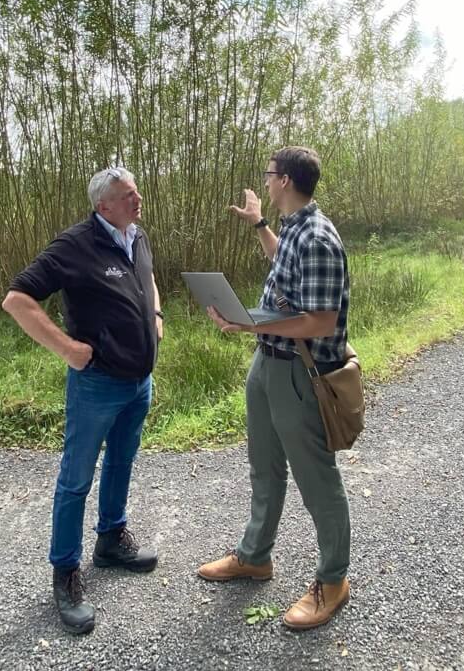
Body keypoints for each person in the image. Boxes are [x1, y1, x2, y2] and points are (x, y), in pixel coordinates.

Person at [2, 166, 164, 635]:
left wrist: (156, 312)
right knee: (75, 481)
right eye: (128, 196)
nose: (137, 200)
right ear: (102, 206)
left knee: (121, 462)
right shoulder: (74, 245)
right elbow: (17, 300)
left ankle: (111, 540)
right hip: (96, 385)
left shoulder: (137, 236)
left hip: (138, 381)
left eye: (136, 192)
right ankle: (66, 574)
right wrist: (67, 349)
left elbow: (149, 278)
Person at [198, 145, 353, 631]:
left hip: (299, 372)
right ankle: (254, 556)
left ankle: (333, 580)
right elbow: (284, 265)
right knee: (264, 468)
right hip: (267, 364)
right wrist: (258, 224)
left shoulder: (319, 238)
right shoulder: (293, 229)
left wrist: (250, 323)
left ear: (284, 179)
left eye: (268, 174)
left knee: (317, 479)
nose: (264, 181)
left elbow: (321, 321)